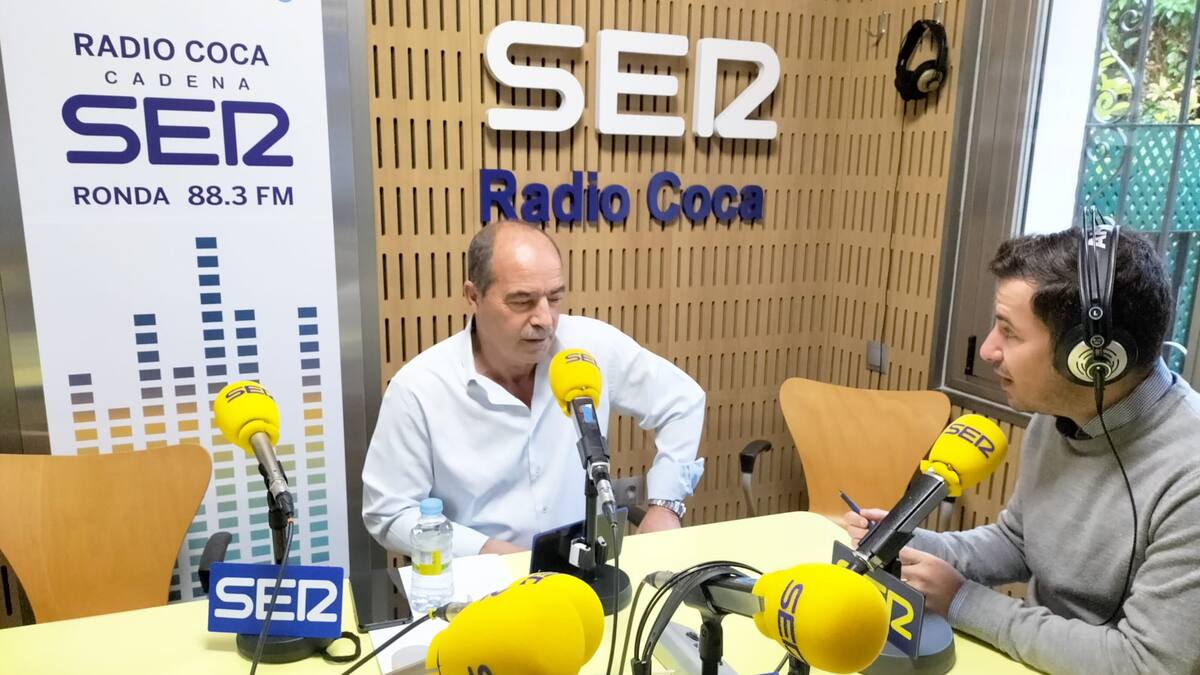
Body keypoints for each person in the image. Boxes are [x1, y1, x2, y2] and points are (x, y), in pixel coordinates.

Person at [845, 228, 1200, 674]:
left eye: (1010, 333)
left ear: (1091, 360)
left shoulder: (1190, 478)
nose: (988, 349)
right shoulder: (1061, 415)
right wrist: (906, 540)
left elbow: (1147, 663)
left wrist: (963, 601)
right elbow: (1019, 541)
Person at [363, 220, 706, 557]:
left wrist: (665, 504)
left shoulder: (590, 347)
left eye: (554, 298)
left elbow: (682, 401)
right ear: (473, 296)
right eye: (522, 301)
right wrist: (485, 551)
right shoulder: (420, 388)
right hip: (480, 581)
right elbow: (389, 512)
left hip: (581, 573)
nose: (545, 319)